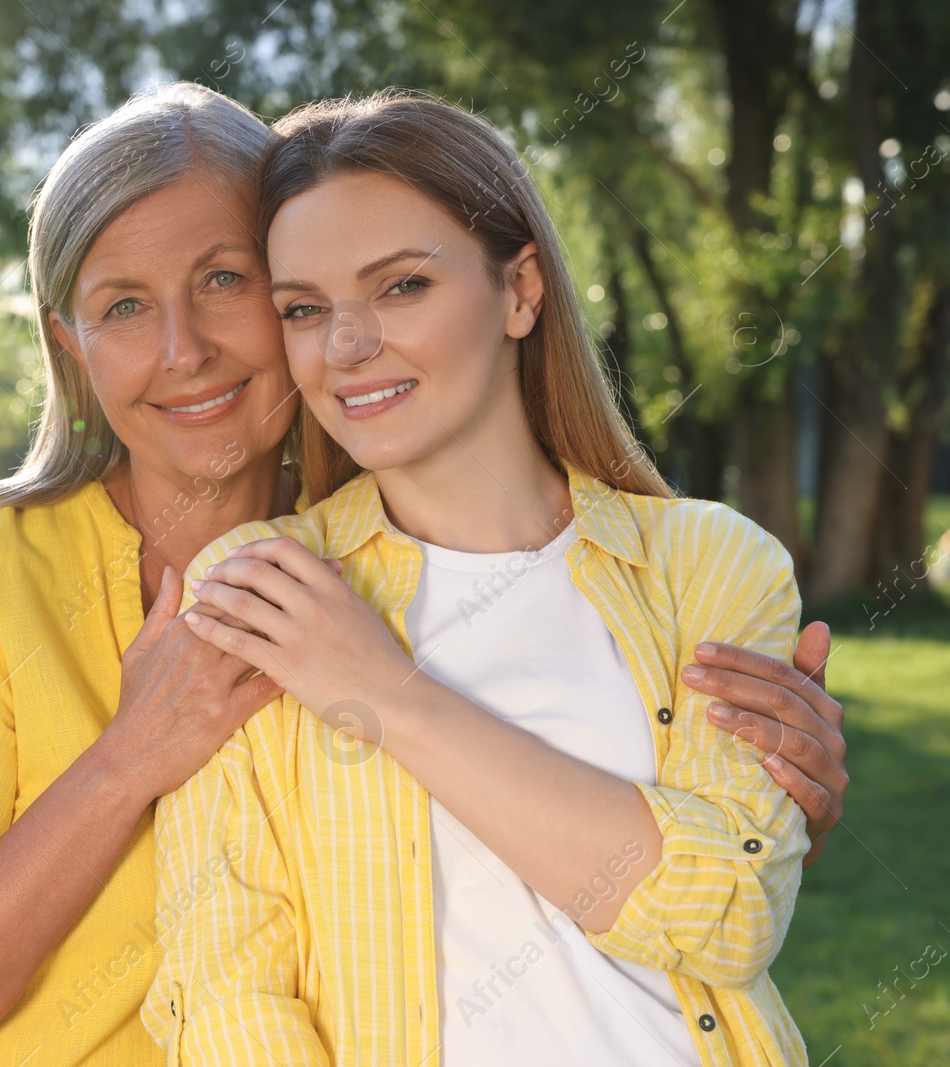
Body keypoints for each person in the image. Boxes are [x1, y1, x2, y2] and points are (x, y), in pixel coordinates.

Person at [0, 83, 847, 1067]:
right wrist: (129, 759)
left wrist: (764, 810)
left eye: (225, 280)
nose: (184, 349)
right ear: (69, 348)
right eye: (122, 306)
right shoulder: (4, 571)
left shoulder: (404, 550)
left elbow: (687, 894)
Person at [149, 90, 822, 1066]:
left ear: (520, 290)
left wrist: (384, 692)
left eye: (401, 287)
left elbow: (728, 915)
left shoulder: (710, 563)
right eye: (304, 308)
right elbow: (229, 991)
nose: (346, 345)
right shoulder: (257, 586)